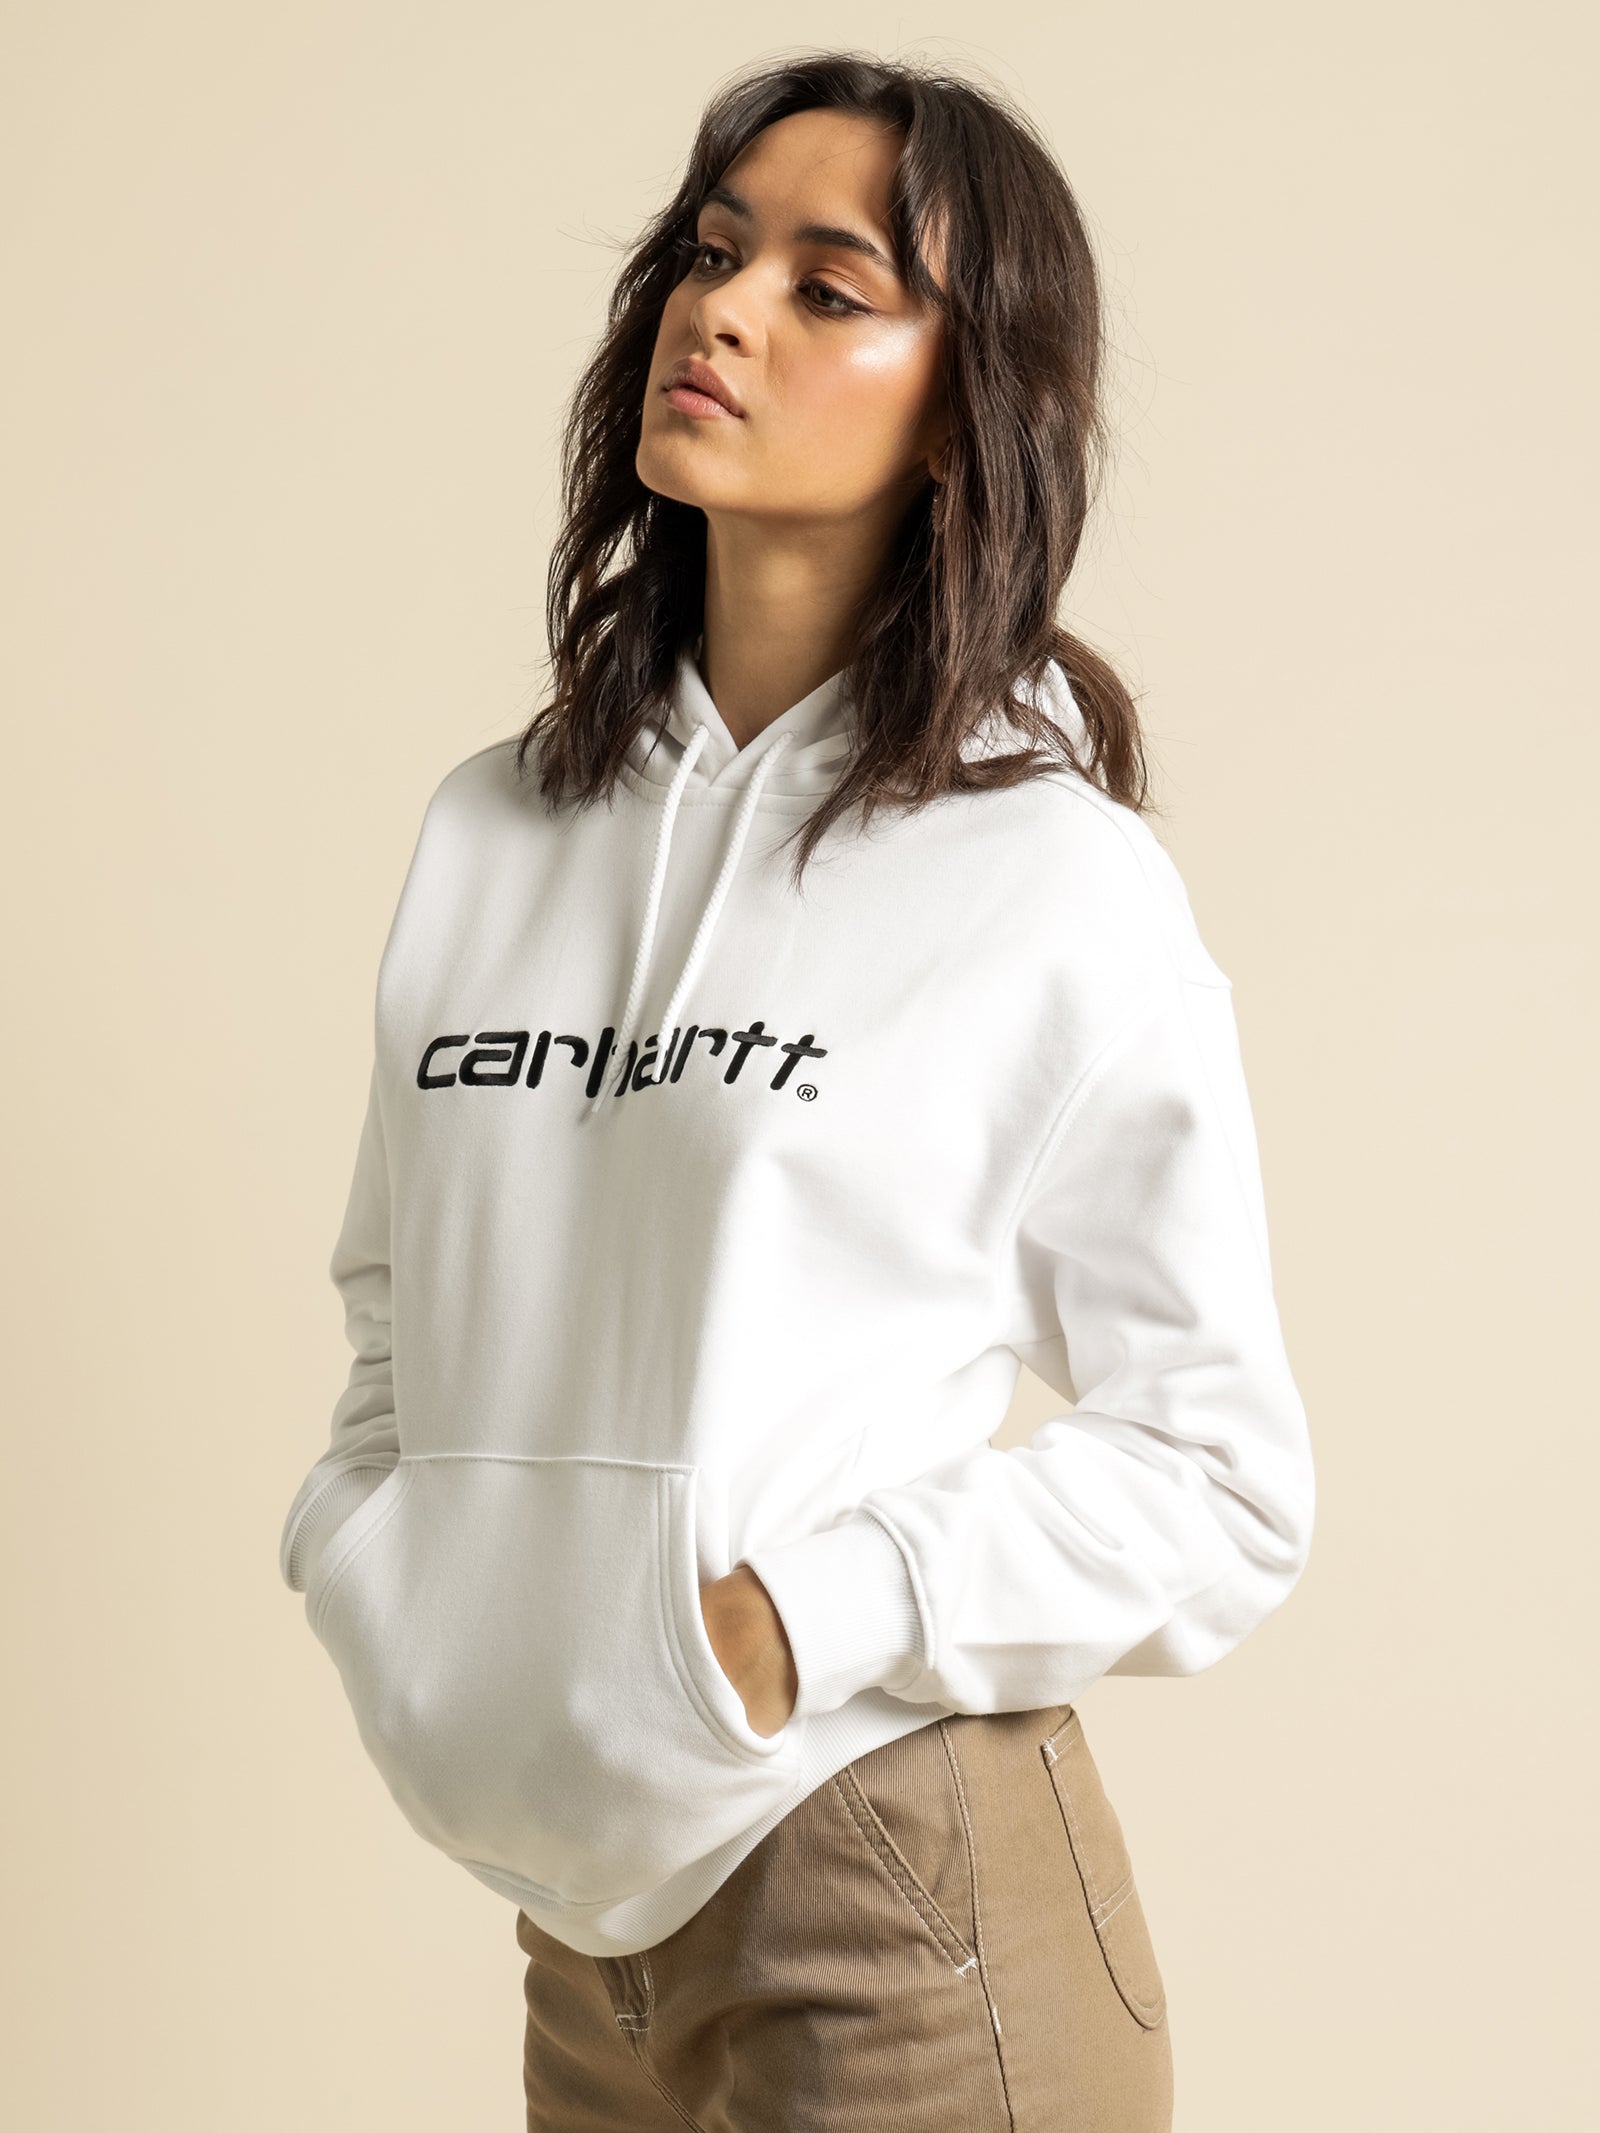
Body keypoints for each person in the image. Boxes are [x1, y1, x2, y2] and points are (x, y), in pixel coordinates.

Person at [277, 49, 1315, 2133]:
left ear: (963, 407)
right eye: (712, 250)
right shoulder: (492, 831)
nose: (725, 309)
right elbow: (402, 1314)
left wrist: (778, 1625)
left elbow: (1221, 1475)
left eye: (829, 288)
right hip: (580, 1940)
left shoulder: (1046, 880)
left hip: (893, 1888)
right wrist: (388, 1577)